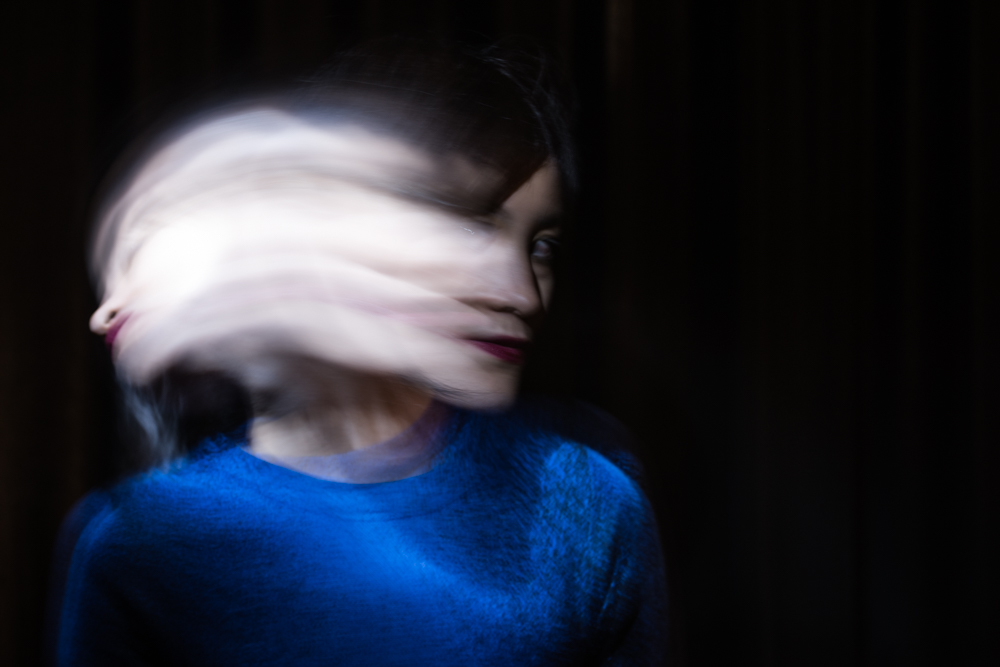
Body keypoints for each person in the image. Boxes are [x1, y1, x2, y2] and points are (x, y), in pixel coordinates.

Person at [49, 40, 667, 666]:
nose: (522, 295)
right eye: (470, 223)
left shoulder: (583, 501)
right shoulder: (139, 544)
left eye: (542, 247)